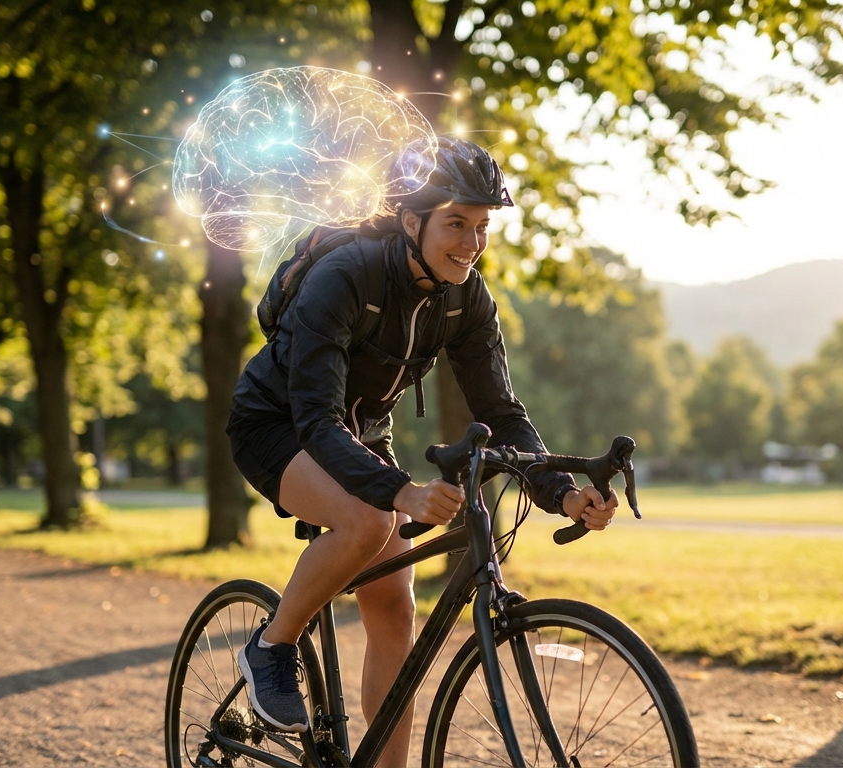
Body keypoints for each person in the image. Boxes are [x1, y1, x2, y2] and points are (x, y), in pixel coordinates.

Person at [226, 136, 618, 766]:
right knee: (369, 519)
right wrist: (397, 491)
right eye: (455, 223)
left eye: (482, 226)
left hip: (358, 435)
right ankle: (272, 647)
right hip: (279, 424)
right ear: (412, 221)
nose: (471, 242)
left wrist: (561, 493)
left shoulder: (466, 297)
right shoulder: (344, 275)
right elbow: (318, 420)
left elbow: (501, 414)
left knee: (394, 608)